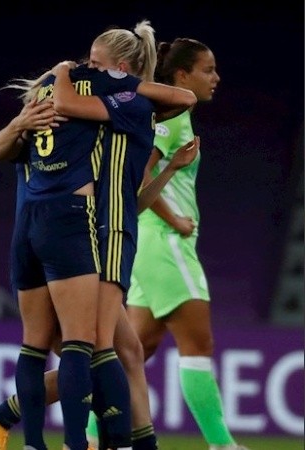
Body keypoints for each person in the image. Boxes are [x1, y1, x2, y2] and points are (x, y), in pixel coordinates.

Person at [0, 20, 197, 450]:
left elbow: (133, 199)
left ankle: (10, 423)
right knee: (99, 348)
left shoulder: (126, 111)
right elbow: (3, 146)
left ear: (119, 69)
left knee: (113, 351)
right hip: (93, 229)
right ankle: (98, 440)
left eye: (93, 64)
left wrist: (168, 170)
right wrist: (35, 103)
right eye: (86, 64)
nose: (83, 69)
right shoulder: (90, 110)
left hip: (108, 226)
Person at [125, 39, 248, 450]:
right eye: (207, 69)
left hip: (145, 245)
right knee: (198, 344)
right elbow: (137, 174)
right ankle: (222, 445)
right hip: (164, 243)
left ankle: (90, 438)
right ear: (182, 76)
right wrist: (175, 220)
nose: (216, 77)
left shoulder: (173, 117)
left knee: (134, 351)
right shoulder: (175, 117)